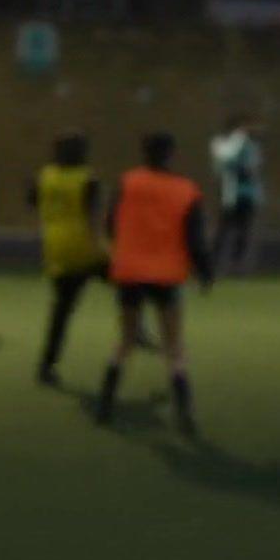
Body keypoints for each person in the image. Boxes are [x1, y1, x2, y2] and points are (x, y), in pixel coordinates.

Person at [96, 132, 212, 435]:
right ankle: (184, 412)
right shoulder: (186, 190)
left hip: (130, 270)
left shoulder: (127, 183)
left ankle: (105, 404)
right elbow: (195, 239)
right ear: (171, 154)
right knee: (173, 346)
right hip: (167, 273)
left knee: (126, 340)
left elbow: (111, 224)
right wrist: (205, 272)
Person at [32, 131, 108, 386]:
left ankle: (46, 365)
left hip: (55, 248)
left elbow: (34, 201)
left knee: (61, 311)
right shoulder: (88, 179)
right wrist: (102, 249)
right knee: (130, 284)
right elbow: (94, 218)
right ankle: (137, 330)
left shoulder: (45, 176)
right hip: (85, 248)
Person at [210, 114, 263, 274]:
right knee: (225, 229)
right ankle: (214, 262)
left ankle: (236, 264)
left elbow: (252, 169)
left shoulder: (251, 147)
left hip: (247, 195)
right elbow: (223, 165)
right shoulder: (225, 145)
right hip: (232, 195)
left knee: (242, 230)